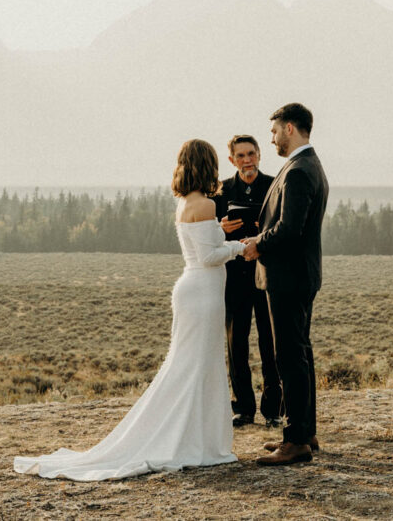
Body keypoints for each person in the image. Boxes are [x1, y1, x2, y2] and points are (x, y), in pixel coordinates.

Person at [14, 139, 246, 481]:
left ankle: (188, 435)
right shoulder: (208, 205)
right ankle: (197, 441)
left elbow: (202, 247)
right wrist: (242, 247)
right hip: (204, 293)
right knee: (200, 364)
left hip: (191, 289)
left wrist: (221, 236)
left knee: (188, 365)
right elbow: (210, 257)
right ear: (207, 166)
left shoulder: (185, 203)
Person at [241, 103, 328, 466]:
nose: (272, 137)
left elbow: (289, 229)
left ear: (290, 128)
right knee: (300, 353)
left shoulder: (297, 171)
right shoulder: (309, 165)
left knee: (289, 356)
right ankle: (304, 430)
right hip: (300, 274)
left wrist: (256, 244)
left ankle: (295, 441)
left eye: (274, 131)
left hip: (289, 276)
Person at [213, 134, 282, 428]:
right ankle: (242, 408)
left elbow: (284, 226)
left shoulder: (274, 185)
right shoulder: (221, 190)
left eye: (251, 154)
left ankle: (273, 410)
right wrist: (221, 227)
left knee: (271, 343)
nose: (247, 160)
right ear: (231, 160)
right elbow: (207, 233)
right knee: (236, 343)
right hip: (233, 277)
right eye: (240, 156)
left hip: (266, 275)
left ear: (259, 155)